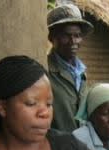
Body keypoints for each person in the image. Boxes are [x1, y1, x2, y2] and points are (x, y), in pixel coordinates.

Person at [46, 3, 93, 132]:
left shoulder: (82, 73)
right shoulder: (45, 72)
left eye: (77, 36)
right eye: (66, 36)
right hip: (56, 147)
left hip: (80, 147)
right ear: (52, 38)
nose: (73, 41)